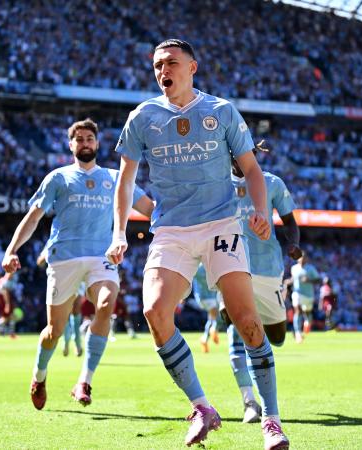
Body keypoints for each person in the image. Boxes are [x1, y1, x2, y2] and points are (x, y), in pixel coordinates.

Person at [106, 39, 288, 448]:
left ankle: (271, 419)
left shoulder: (220, 111)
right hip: (170, 229)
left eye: (171, 62)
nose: (162, 70)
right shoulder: (142, 116)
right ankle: (202, 406)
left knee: (245, 320)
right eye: (156, 65)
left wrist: (260, 211)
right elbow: (125, 181)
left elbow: (253, 170)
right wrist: (119, 233)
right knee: (154, 310)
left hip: (221, 224)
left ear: (192, 67)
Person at [2, 118, 153, 410]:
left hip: (101, 257)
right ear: (71, 145)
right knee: (53, 332)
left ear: (97, 144)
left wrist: (180, 221)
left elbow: (148, 208)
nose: (85, 143)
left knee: (107, 303)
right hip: (64, 259)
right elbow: (33, 217)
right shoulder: (58, 178)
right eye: (79, 139)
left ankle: (84, 380)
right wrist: (11, 250)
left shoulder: (114, 178)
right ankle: (40, 376)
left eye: (89, 139)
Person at [221, 160, 302, 424]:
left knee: (276, 337)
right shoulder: (217, 181)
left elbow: (289, 221)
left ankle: (258, 341)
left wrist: (292, 244)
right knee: (235, 328)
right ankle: (250, 402)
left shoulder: (272, 182)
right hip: (230, 263)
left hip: (268, 268)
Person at [290, 255, 320, 343]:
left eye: (303, 258)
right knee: (297, 310)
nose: (302, 260)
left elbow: (318, 280)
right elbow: (293, 279)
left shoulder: (310, 268)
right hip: (297, 293)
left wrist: (309, 280)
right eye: (300, 258)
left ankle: (307, 323)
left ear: (306, 259)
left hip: (308, 295)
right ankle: (298, 333)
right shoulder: (294, 268)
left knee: (307, 312)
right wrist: (288, 281)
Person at [192, 264, 220, 353]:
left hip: (209, 298)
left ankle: (205, 338)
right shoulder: (200, 268)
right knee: (217, 317)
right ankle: (214, 329)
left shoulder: (210, 267)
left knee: (211, 318)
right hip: (205, 298)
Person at [62, 283, 85, 356]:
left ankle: (77, 343)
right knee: (65, 311)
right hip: (65, 278)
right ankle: (66, 340)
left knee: (76, 310)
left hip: (79, 277)